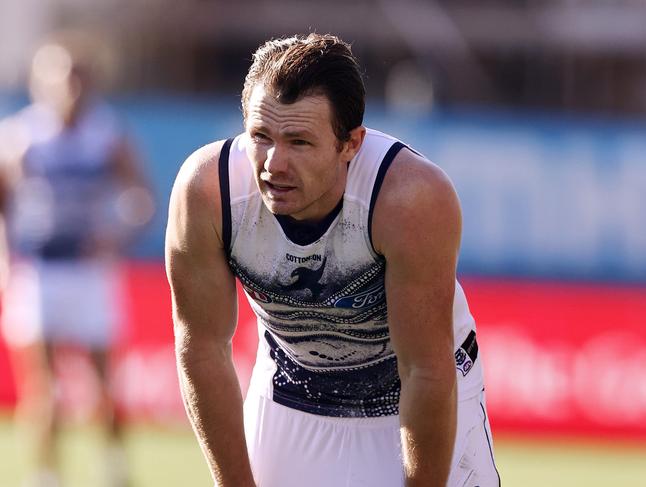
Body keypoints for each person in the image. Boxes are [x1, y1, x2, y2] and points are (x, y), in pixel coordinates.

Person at [165, 33, 499, 487]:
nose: (273, 164)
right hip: (293, 389)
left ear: (351, 144)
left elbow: (425, 368)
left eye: (299, 142)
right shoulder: (207, 193)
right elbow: (202, 350)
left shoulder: (408, 199)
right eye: (260, 136)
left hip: (412, 396)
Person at [0, 32, 154, 487]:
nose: (71, 86)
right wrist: (6, 262)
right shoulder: (23, 137)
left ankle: (113, 466)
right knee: (42, 387)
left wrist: (115, 237)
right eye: (62, 76)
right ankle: (46, 473)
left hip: (90, 273)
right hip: (41, 270)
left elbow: (140, 196)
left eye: (79, 76)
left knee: (103, 384)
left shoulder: (107, 135)